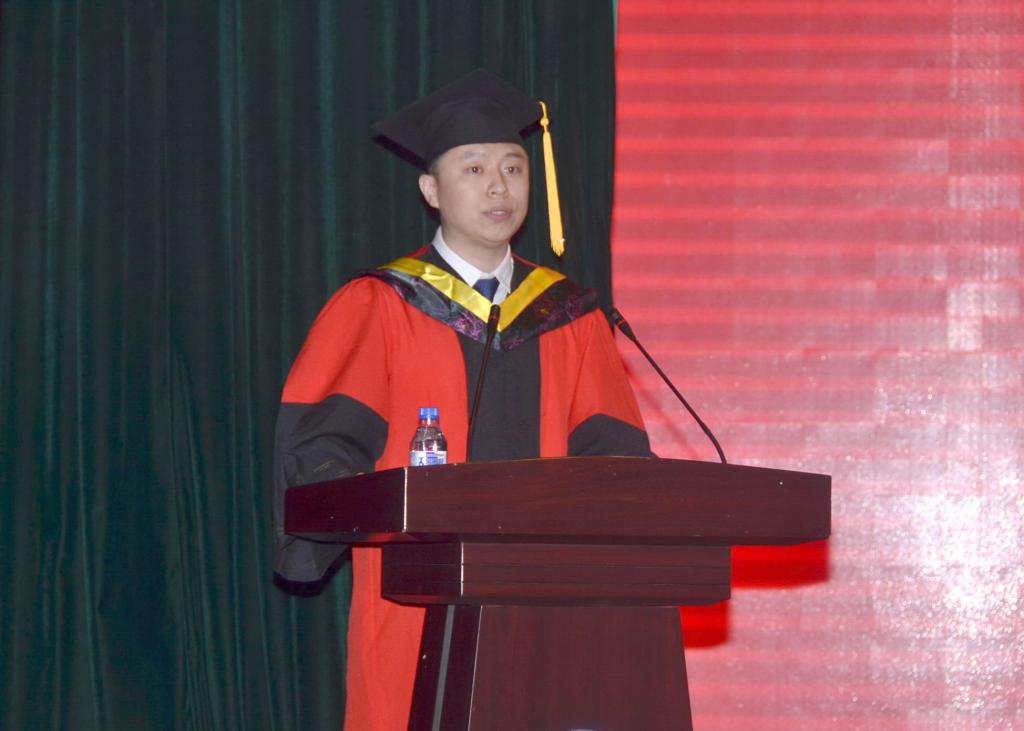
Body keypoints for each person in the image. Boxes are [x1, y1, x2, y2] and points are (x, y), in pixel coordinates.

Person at [272, 68, 651, 731]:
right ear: (431, 190)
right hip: (414, 599)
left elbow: (616, 459)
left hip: (546, 607)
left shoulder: (569, 316)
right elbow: (323, 448)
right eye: (474, 169)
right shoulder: (380, 305)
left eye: (513, 168)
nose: (499, 186)